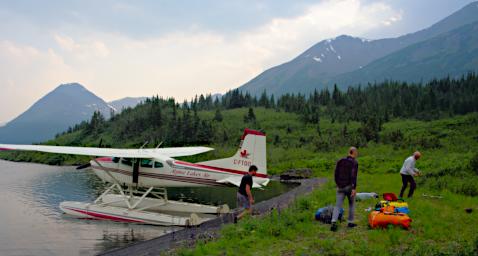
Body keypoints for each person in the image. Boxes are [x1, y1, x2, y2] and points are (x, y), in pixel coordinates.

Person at [331, 147, 359, 232]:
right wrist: (354, 188)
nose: (357, 154)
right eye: (356, 152)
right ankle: (350, 222)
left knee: (337, 205)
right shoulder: (354, 162)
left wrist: (338, 184)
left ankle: (334, 221)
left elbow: (335, 173)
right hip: (349, 186)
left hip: (340, 187)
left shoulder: (340, 161)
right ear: (354, 152)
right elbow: (353, 175)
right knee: (351, 204)